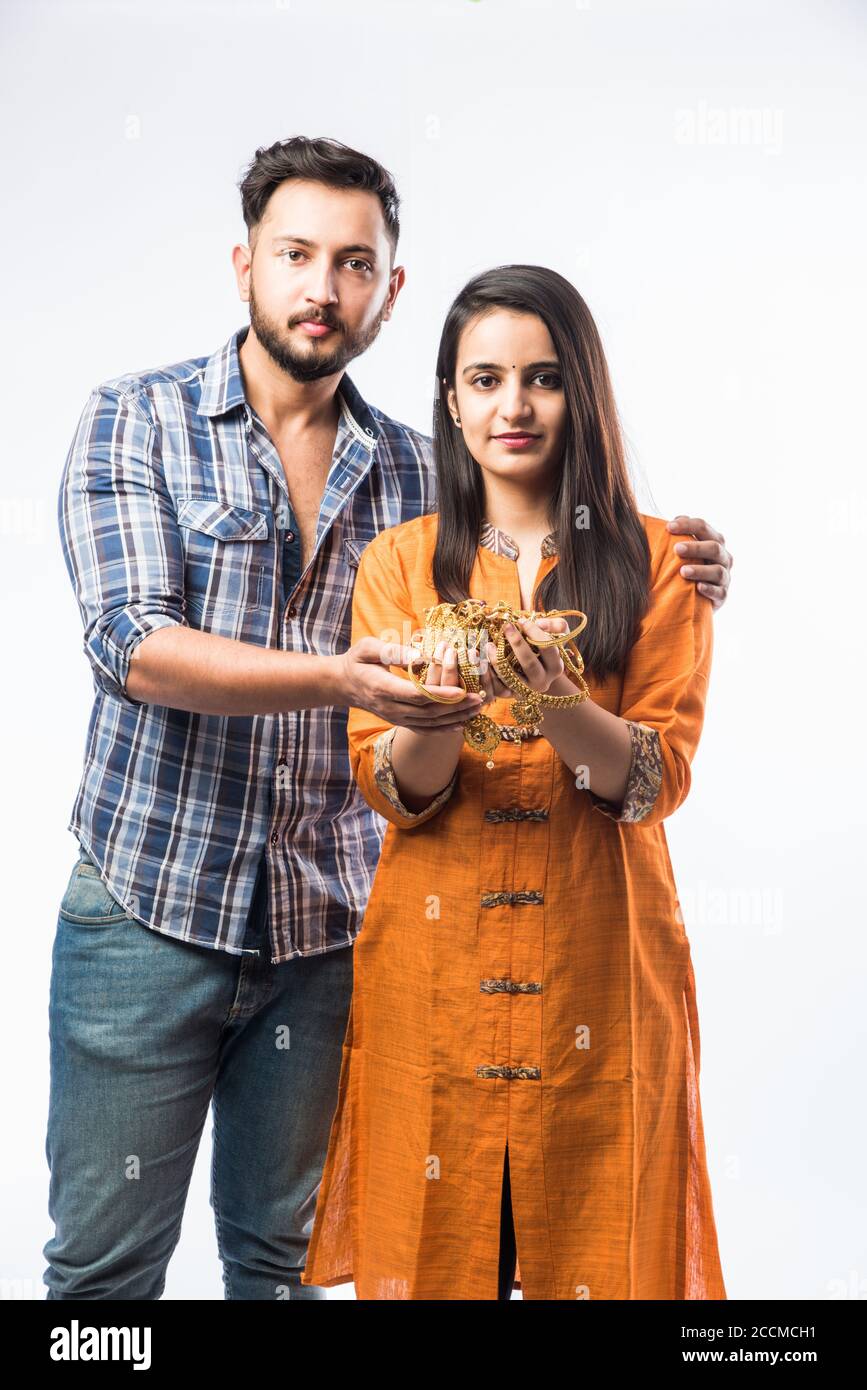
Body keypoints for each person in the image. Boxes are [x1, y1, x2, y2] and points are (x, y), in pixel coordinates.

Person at [45, 136, 733, 1300]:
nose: (324, 287)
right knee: (104, 1273)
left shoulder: (423, 476)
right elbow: (132, 645)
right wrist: (347, 680)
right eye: (297, 254)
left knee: (286, 1260)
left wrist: (685, 555)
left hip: (325, 930)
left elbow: (539, 513)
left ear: (388, 292)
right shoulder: (137, 420)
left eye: (355, 263)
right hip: (148, 906)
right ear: (244, 262)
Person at [301, 264, 728, 1300]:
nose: (514, 406)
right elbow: (396, 792)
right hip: (435, 976)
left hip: (602, 966)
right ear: (451, 400)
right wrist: (439, 715)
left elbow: (649, 782)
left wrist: (553, 700)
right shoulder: (399, 566)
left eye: (541, 378)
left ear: (581, 391)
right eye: (484, 379)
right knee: (441, 1250)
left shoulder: (666, 563)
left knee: (601, 1249)